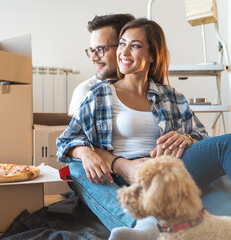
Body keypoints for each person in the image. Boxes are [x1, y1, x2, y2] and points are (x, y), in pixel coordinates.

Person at [56, 18, 231, 240]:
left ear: (152, 55)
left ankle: (151, 228)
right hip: (129, 180)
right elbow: (65, 142)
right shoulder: (100, 95)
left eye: (135, 46)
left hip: (174, 172)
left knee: (226, 198)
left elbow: (202, 138)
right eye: (122, 44)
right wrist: (95, 155)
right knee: (76, 169)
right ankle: (145, 227)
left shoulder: (171, 96)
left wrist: (187, 138)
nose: (124, 51)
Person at [68, 13, 135, 117]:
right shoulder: (86, 92)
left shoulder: (154, 91)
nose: (93, 58)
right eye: (92, 50)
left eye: (100, 49)